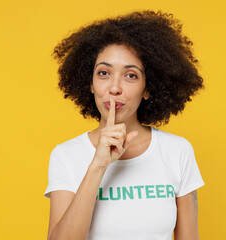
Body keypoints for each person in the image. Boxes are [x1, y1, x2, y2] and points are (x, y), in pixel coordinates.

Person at [44, 10, 205, 240]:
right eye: (103, 73)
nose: (115, 87)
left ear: (148, 88)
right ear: (90, 84)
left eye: (130, 75)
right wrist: (98, 164)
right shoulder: (66, 156)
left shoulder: (177, 152)